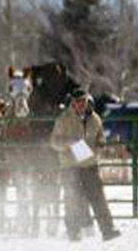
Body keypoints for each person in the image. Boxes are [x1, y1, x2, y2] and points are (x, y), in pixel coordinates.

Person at [51, 89, 119, 241]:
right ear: (73, 103)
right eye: (78, 102)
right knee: (71, 199)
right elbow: (54, 141)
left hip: (90, 164)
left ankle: (107, 230)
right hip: (70, 166)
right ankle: (73, 232)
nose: (81, 104)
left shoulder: (95, 119)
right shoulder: (63, 119)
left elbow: (101, 139)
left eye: (83, 101)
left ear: (87, 101)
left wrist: (99, 149)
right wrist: (68, 143)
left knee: (98, 198)